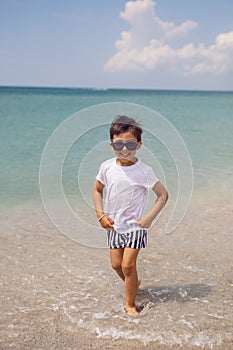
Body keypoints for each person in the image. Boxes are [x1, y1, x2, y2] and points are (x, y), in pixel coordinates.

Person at [93, 115, 168, 316]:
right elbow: (97, 189)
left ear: (139, 145)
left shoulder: (144, 171)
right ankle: (134, 282)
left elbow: (163, 195)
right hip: (114, 225)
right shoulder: (107, 167)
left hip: (136, 226)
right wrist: (100, 215)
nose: (124, 149)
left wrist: (149, 218)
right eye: (119, 145)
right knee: (116, 265)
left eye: (130, 144)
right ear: (111, 145)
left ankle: (130, 305)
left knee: (128, 265)